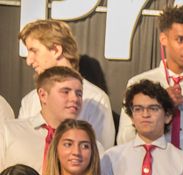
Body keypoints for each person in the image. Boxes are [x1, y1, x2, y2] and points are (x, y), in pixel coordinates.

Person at [117, 5, 183, 151]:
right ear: (163, 39)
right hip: (152, 162)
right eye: (180, 40)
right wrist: (160, 105)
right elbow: (124, 140)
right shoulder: (138, 84)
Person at [17, 19, 115, 148]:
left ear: (56, 50)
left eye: (34, 51)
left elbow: (100, 154)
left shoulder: (96, 100)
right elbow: (19, 147)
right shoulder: (29, 101)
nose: (29, 61)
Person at [0, 66, 83, 174]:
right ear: (43, 95)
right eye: (65, 92)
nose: (75, 99)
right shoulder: (8, 132)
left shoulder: (89, 145)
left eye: (79, 94)